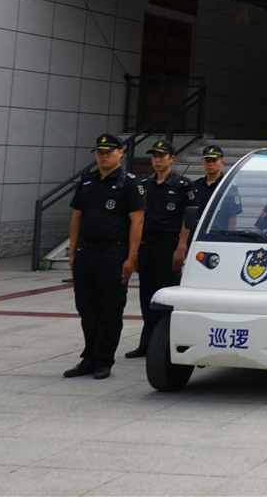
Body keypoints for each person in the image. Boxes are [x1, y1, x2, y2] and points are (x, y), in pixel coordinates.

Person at [64, 133, 144, 380]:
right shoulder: (87, 182)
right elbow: (76, 218)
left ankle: (103, 359)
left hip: (112, 254)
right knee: (87, 307)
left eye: (108, 152)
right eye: (100, 152)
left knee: (110, 308)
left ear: (120, 153)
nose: (103, 156)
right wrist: (73, 252)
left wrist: (131, 258)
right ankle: (89, 358)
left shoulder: (130, 184)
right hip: (86, 253)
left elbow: (137, 222)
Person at [124, 139, 193, 359]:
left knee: (168, 294)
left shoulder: (182, 185)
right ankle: (147, 343)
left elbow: (188, 218)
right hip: (147, 245)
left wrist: (181, 246)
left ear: (171, 158)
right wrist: (134, 251)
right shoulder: (144, 185)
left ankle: (167, 342)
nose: (157, 160)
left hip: (169, 245)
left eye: (161, 156)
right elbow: (137, 219)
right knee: (147, 294)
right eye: (154, 156)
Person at [187, 144, 241, 231]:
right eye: (207, 161)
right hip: (197, 233)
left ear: (222, 163)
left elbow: (232, 216)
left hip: (218, 234)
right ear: (203, 162)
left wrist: (229, 235)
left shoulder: (227, 186)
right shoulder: (196, 186)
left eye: (214, 161)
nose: (211, 164)